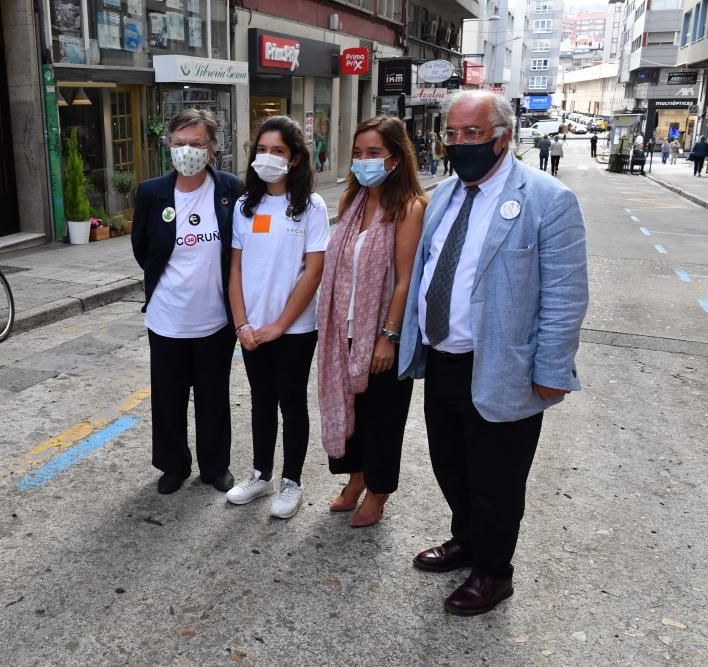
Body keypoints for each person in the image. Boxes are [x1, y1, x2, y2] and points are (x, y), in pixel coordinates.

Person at [398, 90, 589, 616]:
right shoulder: (445, 195)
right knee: (450, 465)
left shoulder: (548, 200)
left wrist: (551, 370)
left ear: (503, 136)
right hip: (443, 359)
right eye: (452, 135)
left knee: (497, 481)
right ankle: (467, 539)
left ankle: (494, 571)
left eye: (472, 134)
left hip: (505, 366)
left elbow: (566, 296)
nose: (459, 145)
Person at [316, 116, 426, 528]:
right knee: (351, 413)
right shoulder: (353, 202)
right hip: (341, 332)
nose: (363, 161)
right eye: (358, 154)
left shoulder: (409, 208)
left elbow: (404, 281)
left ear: (395, 158)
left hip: (382, 334)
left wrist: (388, 337)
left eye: (374, 153)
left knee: (382, 419)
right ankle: (356, 477)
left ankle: (378, 490)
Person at [131, 108, 244, 495]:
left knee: (214, 397)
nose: (188, 151)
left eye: (196, 143)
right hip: (167, 318)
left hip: (215, 319)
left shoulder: (231, 189)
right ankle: (173, 465)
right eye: (180, 144)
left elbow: (240, 250)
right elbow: (142, 249)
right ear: (168, 146)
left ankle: (215, 466)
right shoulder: (151, 193)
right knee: (168, 398)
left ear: (212, 147)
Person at [226, 116, 330, 519]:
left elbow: (314, 271)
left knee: (291, 403)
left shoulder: (310, 207)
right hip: (251, 329)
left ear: (296, 157)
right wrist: (242, 324)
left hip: (295, 329)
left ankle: (291, 481)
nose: (268, 158)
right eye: (262, 150)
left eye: (278, 151)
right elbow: (234, 269)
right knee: (261, 401)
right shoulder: (243, 206)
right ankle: (260, 474)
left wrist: (280, 325)